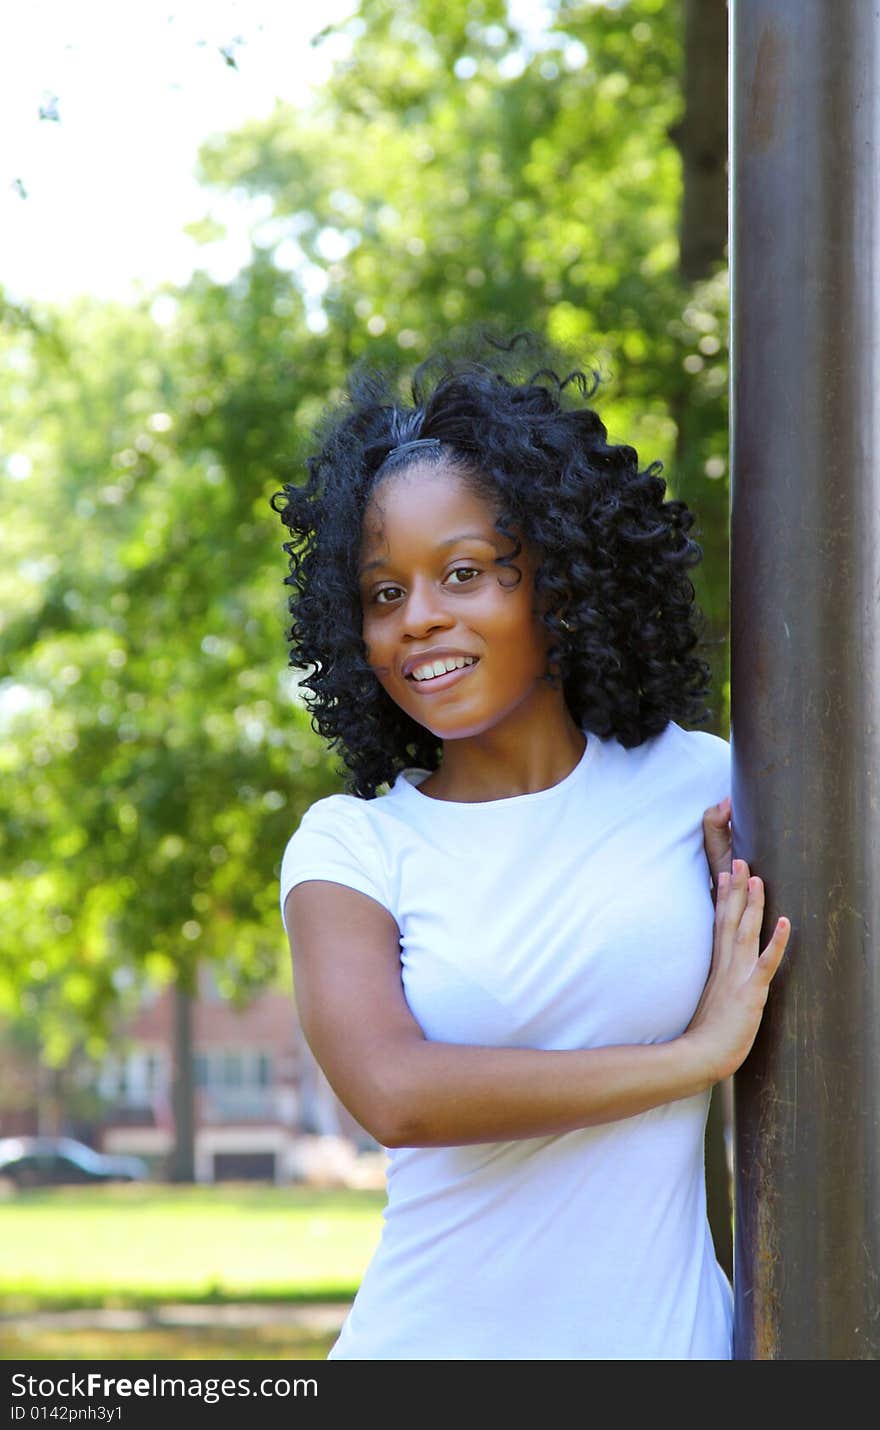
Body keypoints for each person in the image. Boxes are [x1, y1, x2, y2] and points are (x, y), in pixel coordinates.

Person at [269, 334, 790, 1360]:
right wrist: (692, 1056)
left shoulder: (701, 785)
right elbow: (395, 1093)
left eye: (462, 573)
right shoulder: (351, 848)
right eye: (384, 592)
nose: (418, 619)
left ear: (556, 573)